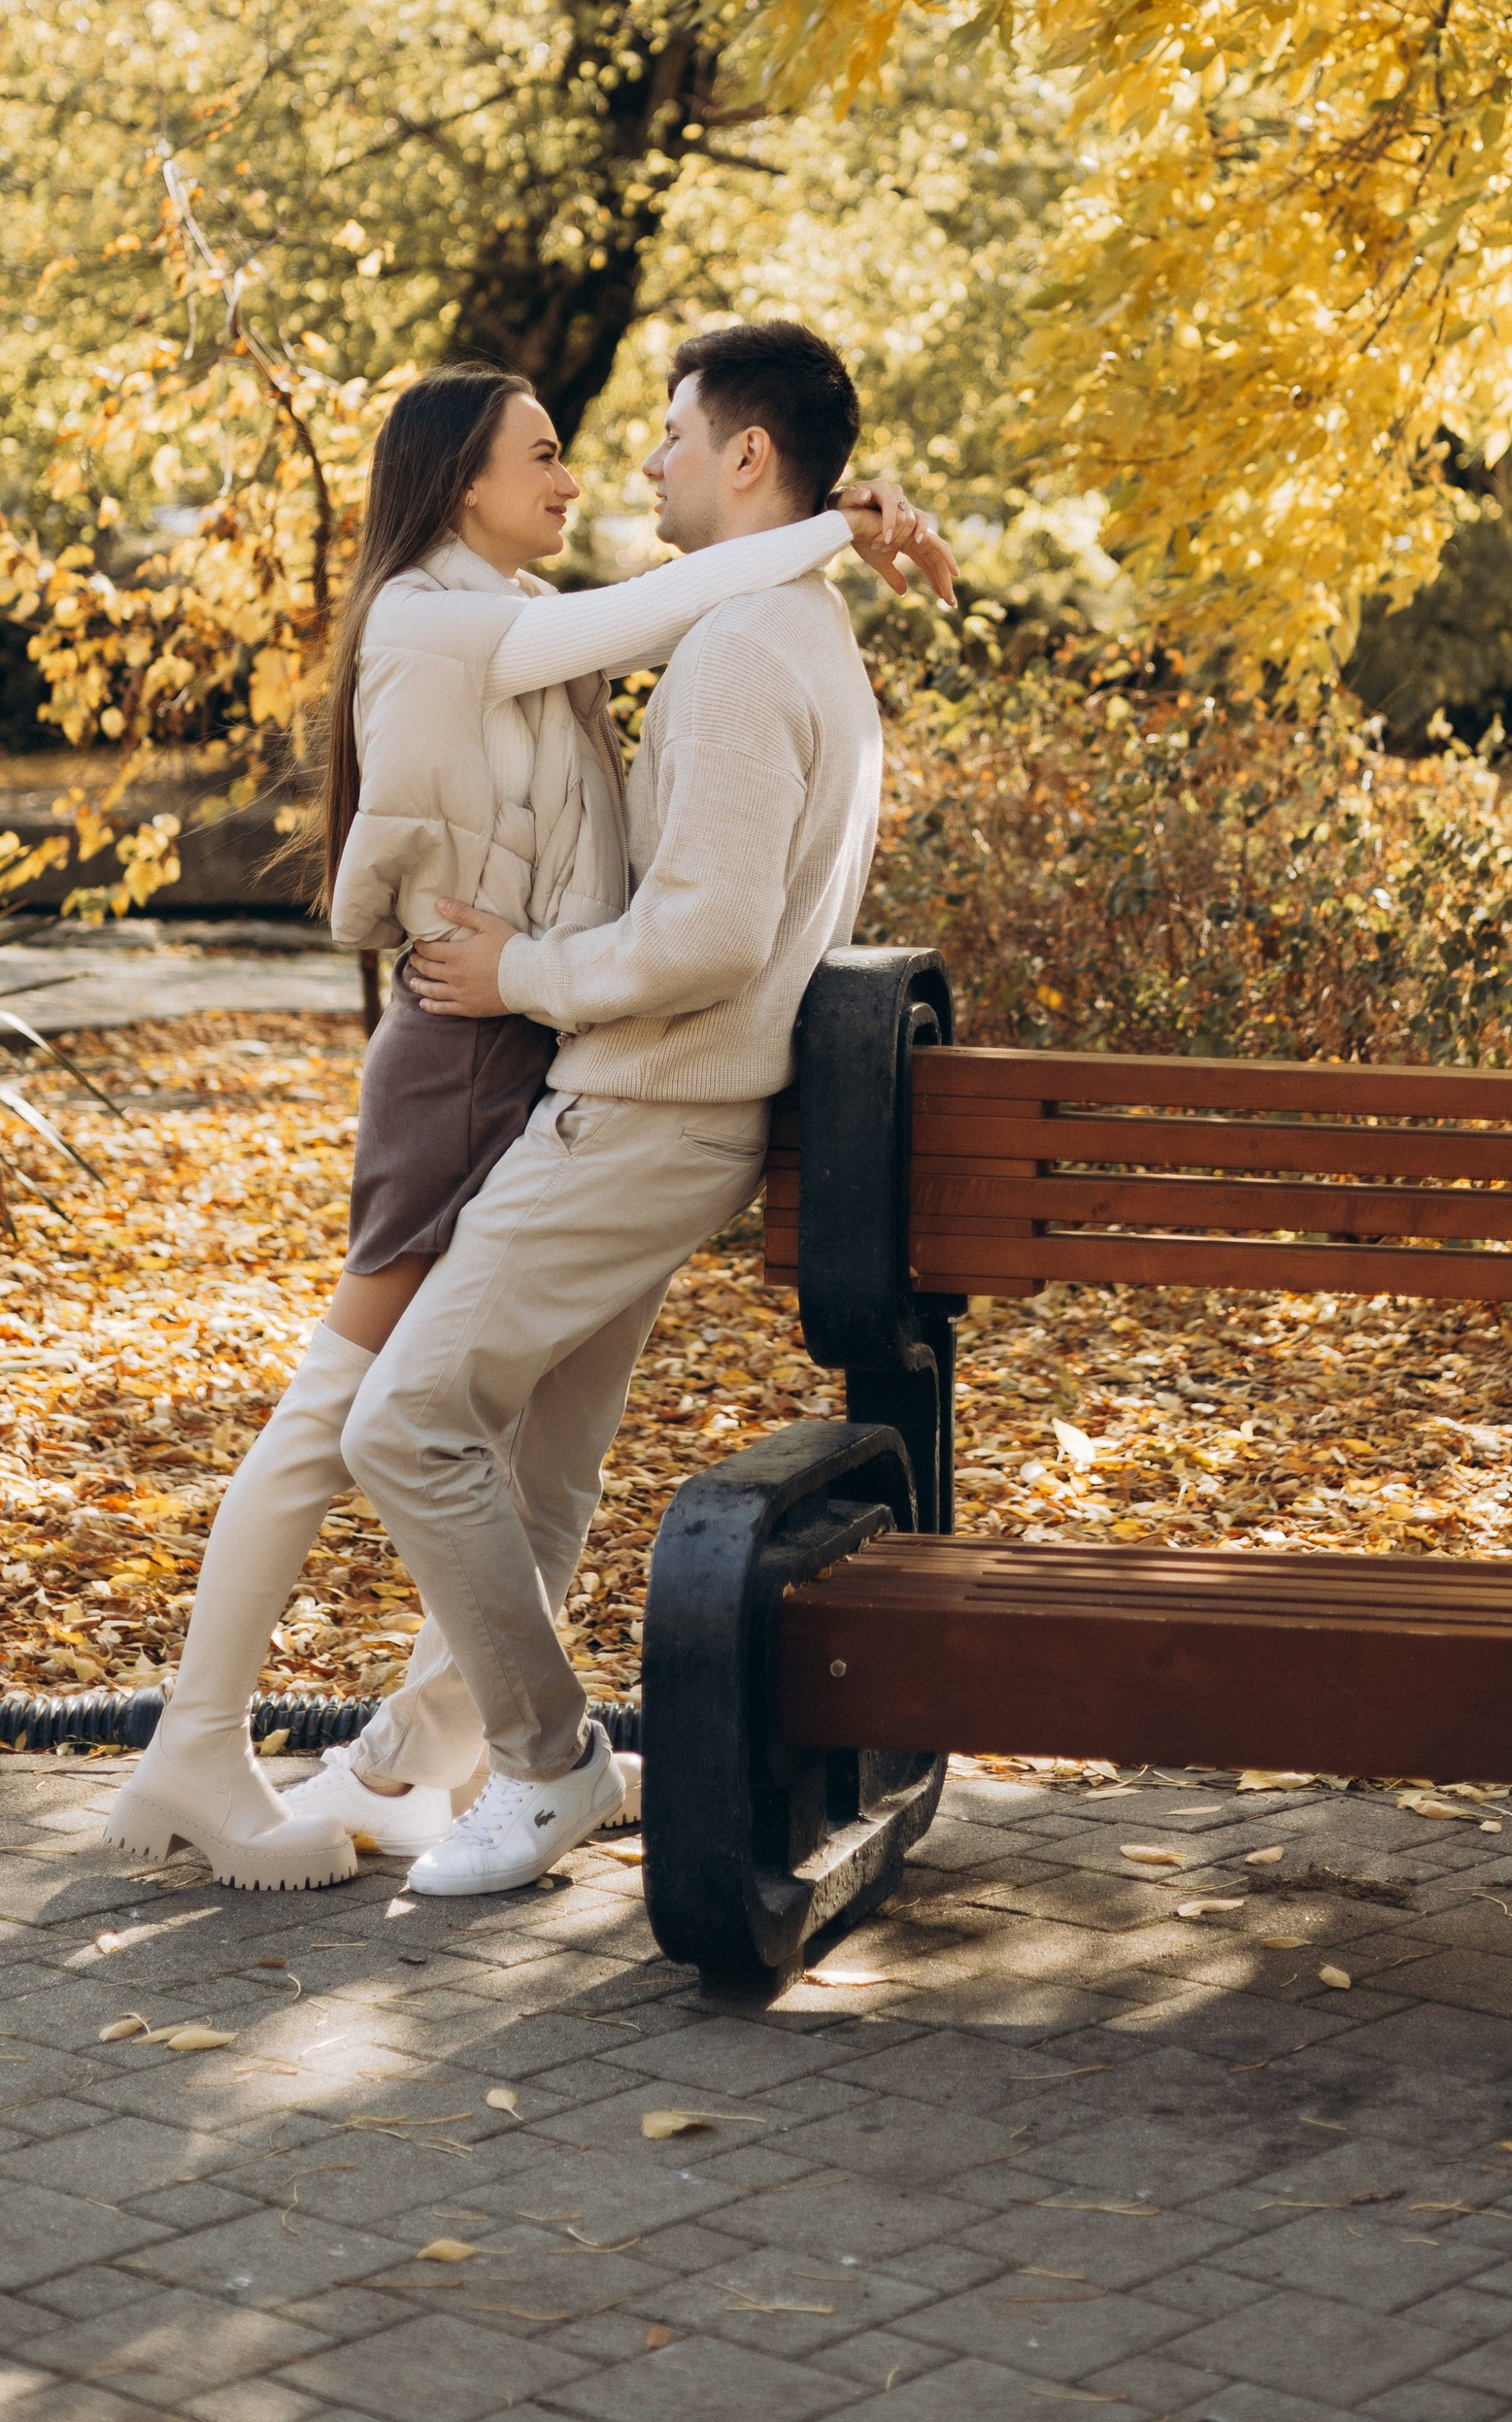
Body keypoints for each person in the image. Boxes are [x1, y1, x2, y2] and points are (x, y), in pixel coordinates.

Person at [105, 356, 943, 1888]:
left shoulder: (706, 638)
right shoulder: (464, 619)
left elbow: (685, 907)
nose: (606, 475)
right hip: (494, 1058)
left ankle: (460, 1758)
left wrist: (839, 525)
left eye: (656, 441)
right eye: (548, 454)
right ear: (461, 482)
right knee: (369, 1415)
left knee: (453, 1441)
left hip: (588, 1066)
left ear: (744, 456)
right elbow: (623, 624)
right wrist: (839, 529)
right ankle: (249, 1744)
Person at [323, 317, 907, 1898]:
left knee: (409, 1422)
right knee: (545, 1477)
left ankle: (548, 1760)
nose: (639, 459)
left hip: (641, 1112)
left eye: (668, 431)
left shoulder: (735, 654)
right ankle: (422, 1745)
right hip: (680, 1110)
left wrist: (525, 971)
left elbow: (706, 932)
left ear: (747, 457)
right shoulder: (793, 628)